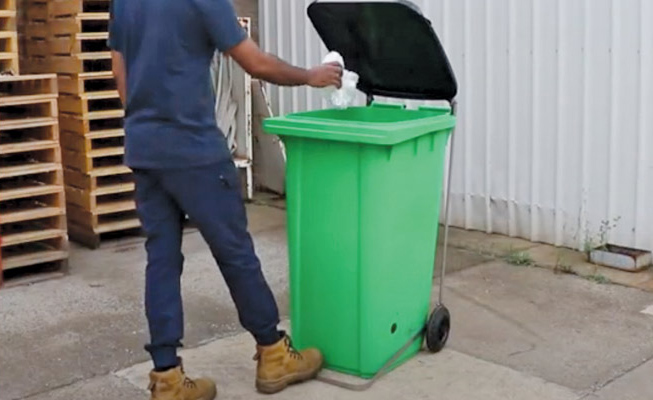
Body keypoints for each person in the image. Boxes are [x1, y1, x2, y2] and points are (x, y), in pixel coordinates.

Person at [108, 0, 342, 398]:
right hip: (194, 152)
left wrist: (148, 124)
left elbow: (120, 72)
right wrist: (310, 76)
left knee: (161, 261)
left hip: (145, 150)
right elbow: (254, 62)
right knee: (235, 253)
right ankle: (272, 353)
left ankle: (166, 377)